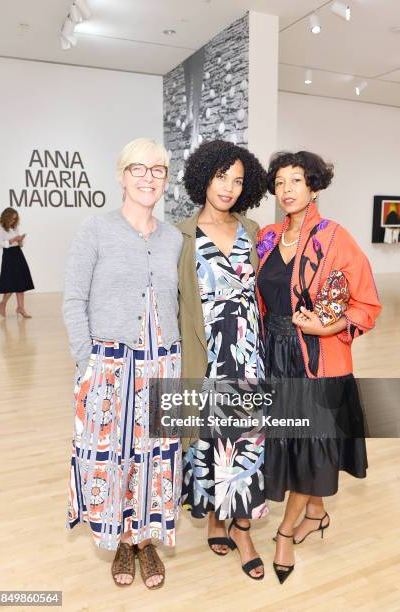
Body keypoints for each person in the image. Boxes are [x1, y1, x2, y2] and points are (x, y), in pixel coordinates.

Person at [256, 150, 382, 584]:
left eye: (296, 181)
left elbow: (366, 302)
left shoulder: (335, 238)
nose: (287, 190)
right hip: (273, 354)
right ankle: (315, 511)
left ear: (314, 186)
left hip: (316, 357)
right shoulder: (268, 238)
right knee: (289, 441)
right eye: (280, 182)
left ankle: (286, 532)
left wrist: (332, 328)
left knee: (310, 444)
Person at [63, 138, 183, 590]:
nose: (148, 177)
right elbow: (74, 299)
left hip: (161, 364)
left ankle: (145, 541)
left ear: (166, 179)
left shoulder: (173, 238)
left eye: (158, 170)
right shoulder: (95, 229)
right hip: (109, 366)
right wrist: (85, 363)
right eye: (139, 168)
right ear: (121, 175)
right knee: (112, 455)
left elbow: (176, 303)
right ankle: (119, 537)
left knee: (156, 456)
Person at [178, 140, 268, 580]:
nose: (229, 188)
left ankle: (244, 529)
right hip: (204, 354)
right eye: (221, 177)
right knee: (209, 440)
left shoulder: (252, 230)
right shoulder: (180, 234)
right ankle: (216, 516)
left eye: (238, 180)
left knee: (246, 441)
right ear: (203, 177)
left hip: (248, 355)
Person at [0, 208, 34, 318]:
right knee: (11, 283)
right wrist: (12, 240)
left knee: (21, 282)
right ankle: (3, 303)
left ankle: (21, 308)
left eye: (15, 219)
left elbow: (20, 245)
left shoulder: (15, 228)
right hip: (8, 255)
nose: (13, 221)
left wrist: (20, 240)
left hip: (18, 253)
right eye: (12, 219)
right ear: (6, 217)